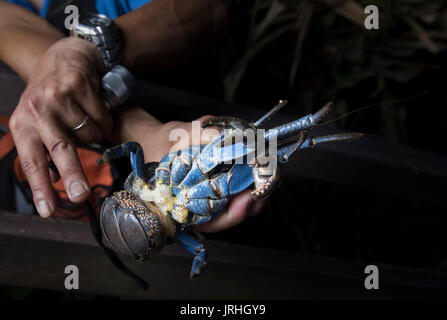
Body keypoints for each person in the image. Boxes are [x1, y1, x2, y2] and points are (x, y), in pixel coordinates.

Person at [0, 0, 264, 232]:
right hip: (87, 222)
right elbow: (29, 42)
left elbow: (209, 9)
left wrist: (86, 50)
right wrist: (144, 132)